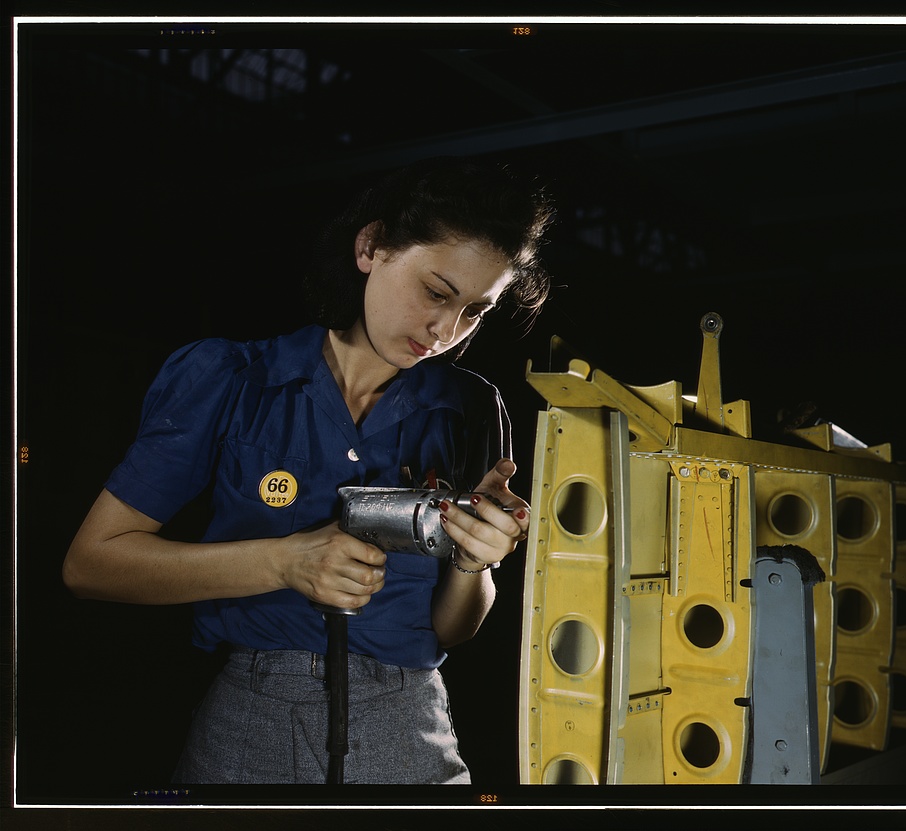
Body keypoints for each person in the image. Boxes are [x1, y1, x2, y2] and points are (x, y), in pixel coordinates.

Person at [62, 156, 555, 785]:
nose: (444, 330)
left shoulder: (470, 408)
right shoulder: (232, 380)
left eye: (475, 311)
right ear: (370, 247)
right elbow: (91, 565)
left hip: (409, 722)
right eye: (436, 292)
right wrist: (283, 562)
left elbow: (453, 629)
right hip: (249, 718)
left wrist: (473, 564)